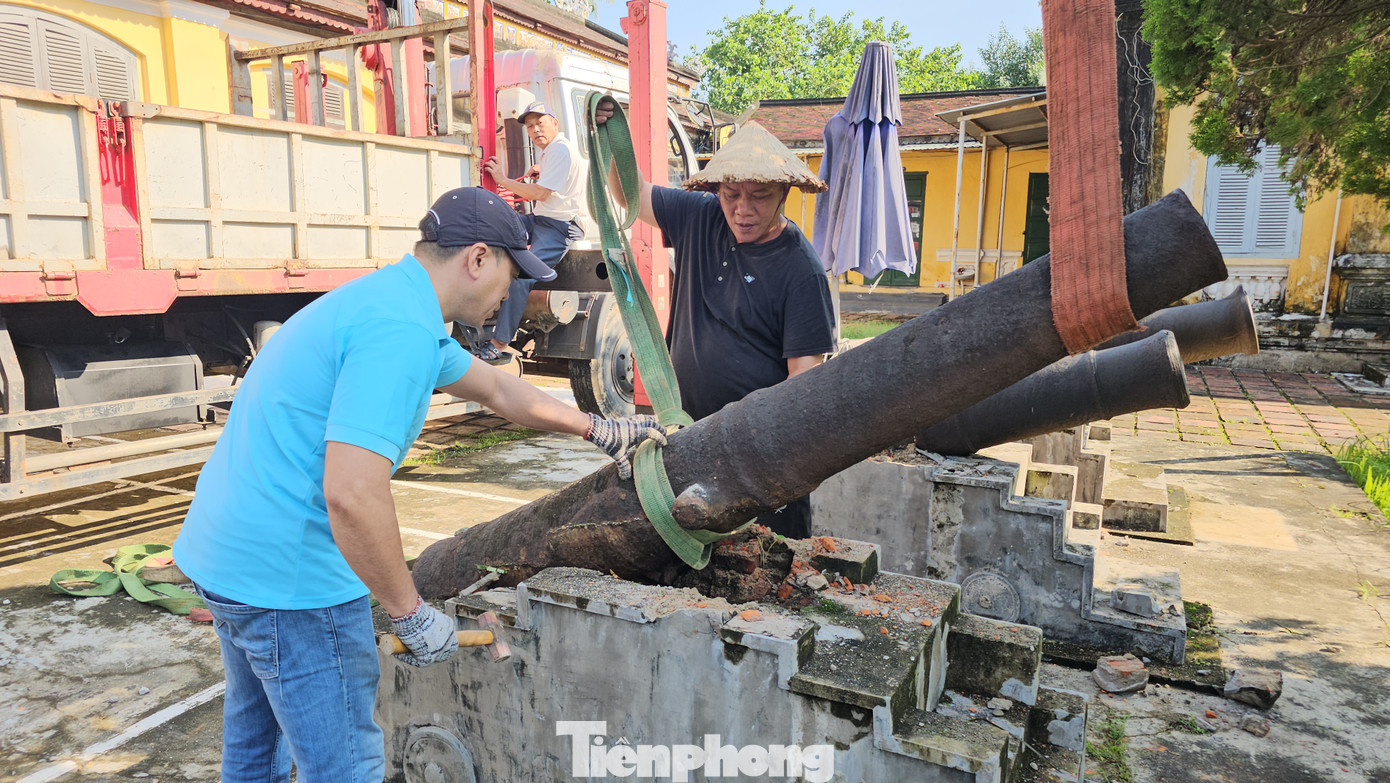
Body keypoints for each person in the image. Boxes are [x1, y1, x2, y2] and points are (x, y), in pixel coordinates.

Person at [171, 187, 664, 783]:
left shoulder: (391, 304)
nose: (513, 293)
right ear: (477, 259)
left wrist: (602, 427)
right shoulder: (399, 333)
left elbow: (500, 390)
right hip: (292, 580)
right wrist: (409, 612)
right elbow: (351, 493)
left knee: (255, 750)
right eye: (511, 274)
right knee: (345, 768)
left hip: (228, 558)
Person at [595, 103, 836, 539]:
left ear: (784, 192)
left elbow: (804, 384)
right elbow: (632, 194)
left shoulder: (801, 270)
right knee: (692, 555)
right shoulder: (699, 216)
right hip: (686, 435)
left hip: (760, 456)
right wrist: (613, 138)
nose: (742, 209)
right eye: (731, 194)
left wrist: (782, 459)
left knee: (766, 559)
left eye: (759, 196)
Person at [481, 101, 586, 360]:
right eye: (530, 126)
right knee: (495, 228)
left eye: (541, 123)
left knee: (523, 280)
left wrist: (503, 181)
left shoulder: (560, 150)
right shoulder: (550, 152)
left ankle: (498, 343)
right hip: (541, 220)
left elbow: (540, 192)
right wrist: (543, 171)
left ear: (554, 123)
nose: (536, 129)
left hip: (559, 228)